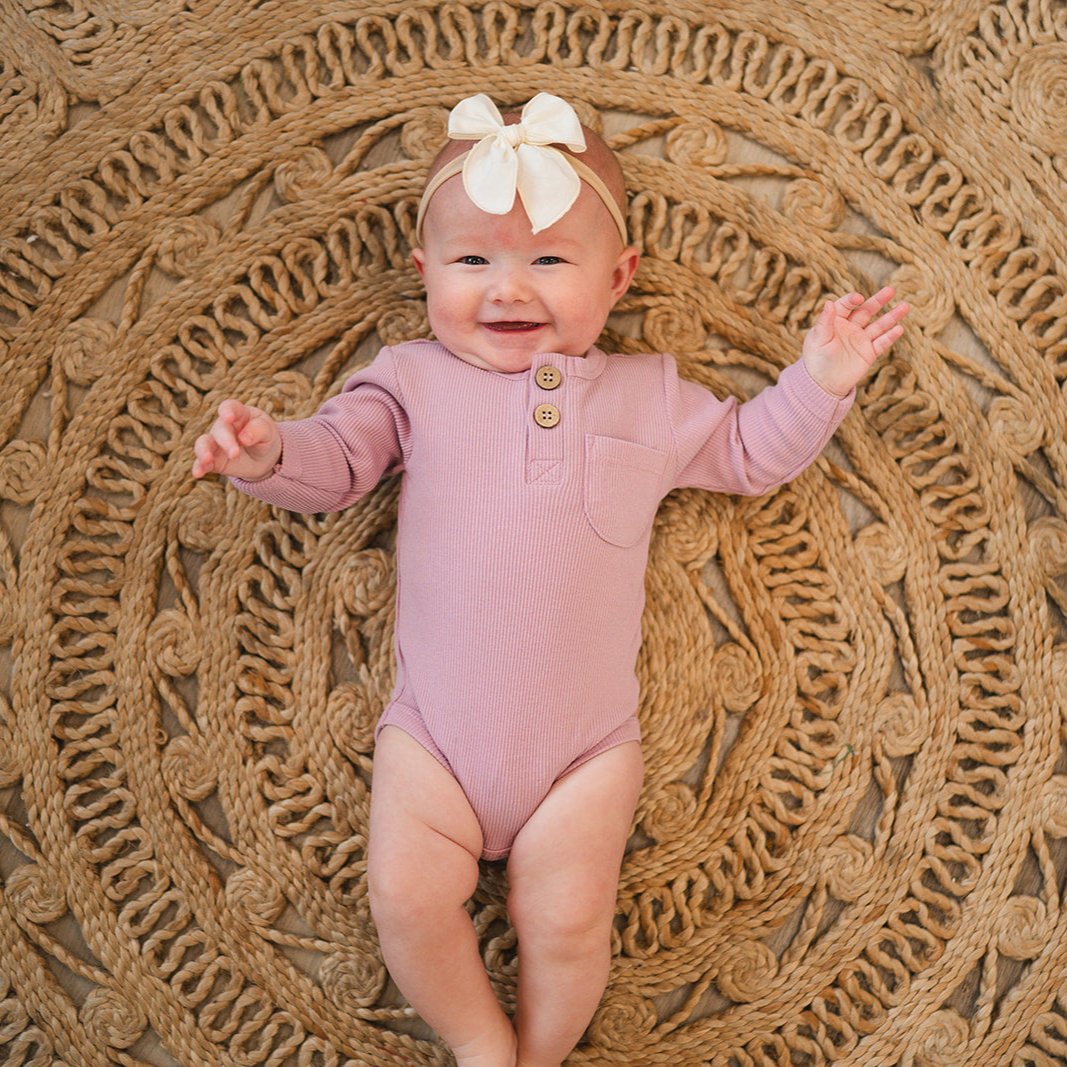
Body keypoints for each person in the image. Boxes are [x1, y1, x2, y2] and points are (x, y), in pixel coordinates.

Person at [192, 92, 909, 1067]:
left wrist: (816, 379)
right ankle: (481, 1044)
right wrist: (267, 449)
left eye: (548, 260)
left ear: (617, 279)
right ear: (423, 273)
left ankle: (539, 1050)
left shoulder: (651, 393)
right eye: (473, 260)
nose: (506, 287)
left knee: (568, 921)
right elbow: (339, 461)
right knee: (404, 898)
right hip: (432, 742)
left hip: (583, 756)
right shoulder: (408, 379)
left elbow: (745, 453)